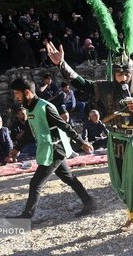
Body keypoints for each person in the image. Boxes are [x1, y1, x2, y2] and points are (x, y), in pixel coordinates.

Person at [48, 42, 133, 249]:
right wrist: (62, 64)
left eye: (126, 74)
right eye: (118, 74)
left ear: (131, 73)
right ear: (113, 74)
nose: (123, 78)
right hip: (117, 143)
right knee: (123, 184)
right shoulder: (104, 87)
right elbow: (80, 82)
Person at [8, 78, 96, 219]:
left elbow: (64, 125)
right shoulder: (30, 108)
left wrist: (81, 142)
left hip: (54, 150)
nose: (16, 97)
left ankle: (26, 217)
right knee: (69, 178)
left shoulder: (45, 106)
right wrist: (17, 149)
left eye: (17, 94)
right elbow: (29, 131)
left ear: (27, 93)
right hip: (48, 149)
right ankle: (89, 202)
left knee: (35, 183)